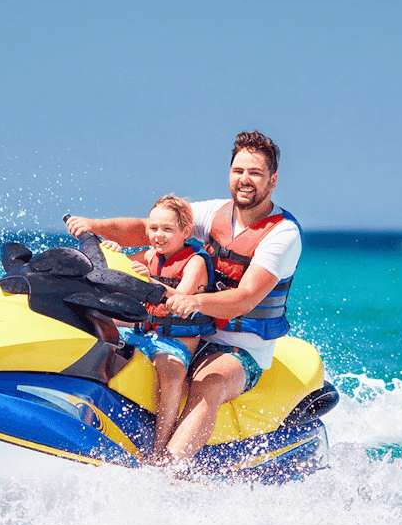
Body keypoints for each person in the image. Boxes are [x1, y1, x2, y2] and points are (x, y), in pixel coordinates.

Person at [66, 131, 301, 468]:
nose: (244, 180)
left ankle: (167, 471)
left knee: (208, 384)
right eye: (238, 171)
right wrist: (95, 226)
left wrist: (195, 303)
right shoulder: (211, 213)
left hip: (239, 346)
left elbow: (247, 298)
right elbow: (149, 227)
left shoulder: (283, 233)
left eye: (255, 173)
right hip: (183, 331)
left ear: (272, 180)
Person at [105, 195, 215, 461]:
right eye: (153, 229)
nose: (159, 235)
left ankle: (160, 447)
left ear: (185, 231)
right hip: (143, 332)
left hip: (174, 341)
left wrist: (150, 282)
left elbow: (182, 300)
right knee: (100, 334)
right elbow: (119, 270)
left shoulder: (196, 261)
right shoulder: (149, 255)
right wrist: (113, 252)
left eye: (167, 229)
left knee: (172, 374)